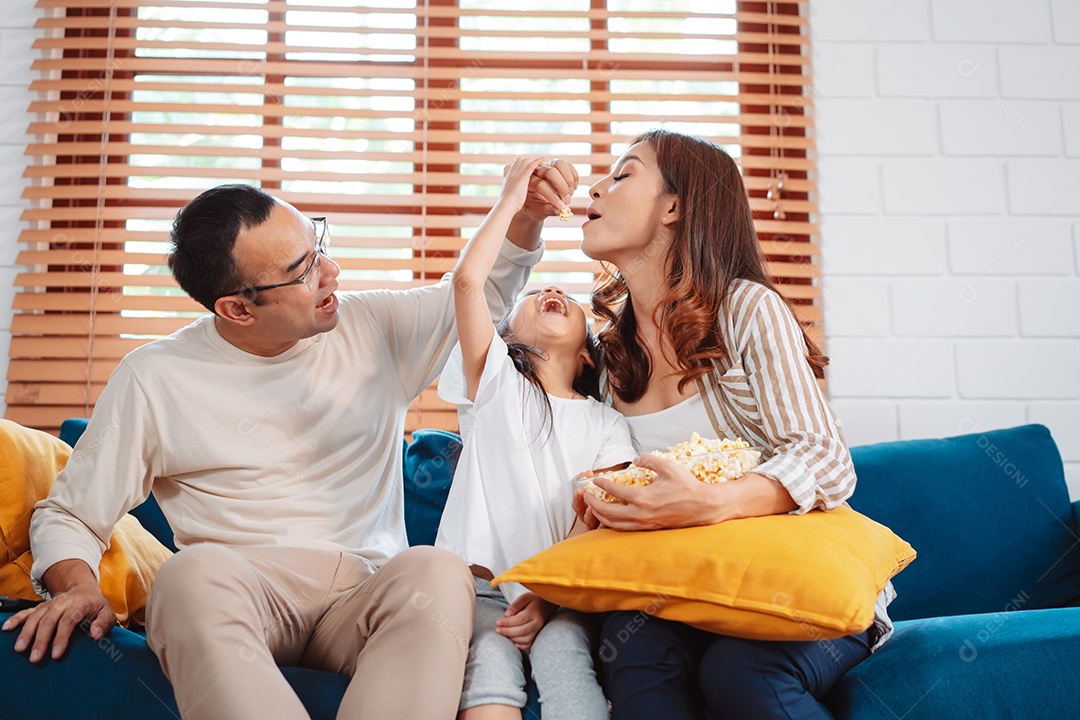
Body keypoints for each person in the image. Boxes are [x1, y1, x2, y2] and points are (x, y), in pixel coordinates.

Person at [2, 166, 575, 720]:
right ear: (237, 308)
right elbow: (71, 513)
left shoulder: (371, 325)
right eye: (302, 271)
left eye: (317, 244)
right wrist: (75, 585)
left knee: (438, 571)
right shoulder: (155, 376)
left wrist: (524, 217)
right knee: (185, 576)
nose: (332, 271)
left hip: (365, 596)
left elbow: (482, 294)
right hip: (244, 595)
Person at [511, 129, 889, 720]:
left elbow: (826, 458)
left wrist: (709, 503)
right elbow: (488, 357)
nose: (597, 188)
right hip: (680, 589)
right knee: (636, 660)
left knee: (741, 674)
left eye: (623, 174)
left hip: (790, 582)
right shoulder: (608, 359)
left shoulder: (744, 310)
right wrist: (556, 586)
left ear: (674, 206)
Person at [435, 157, 637, 720]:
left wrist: (550, 595)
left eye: (569, 300)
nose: (552, 289)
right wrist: (510, 199)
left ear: (588, 353)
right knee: (488, 672)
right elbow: (468, 283)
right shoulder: (494, 381)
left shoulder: (606, 424)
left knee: (567, 660)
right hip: (477, 590)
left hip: (560, 590)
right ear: (507, 336)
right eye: (535, 296)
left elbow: (594, 516)